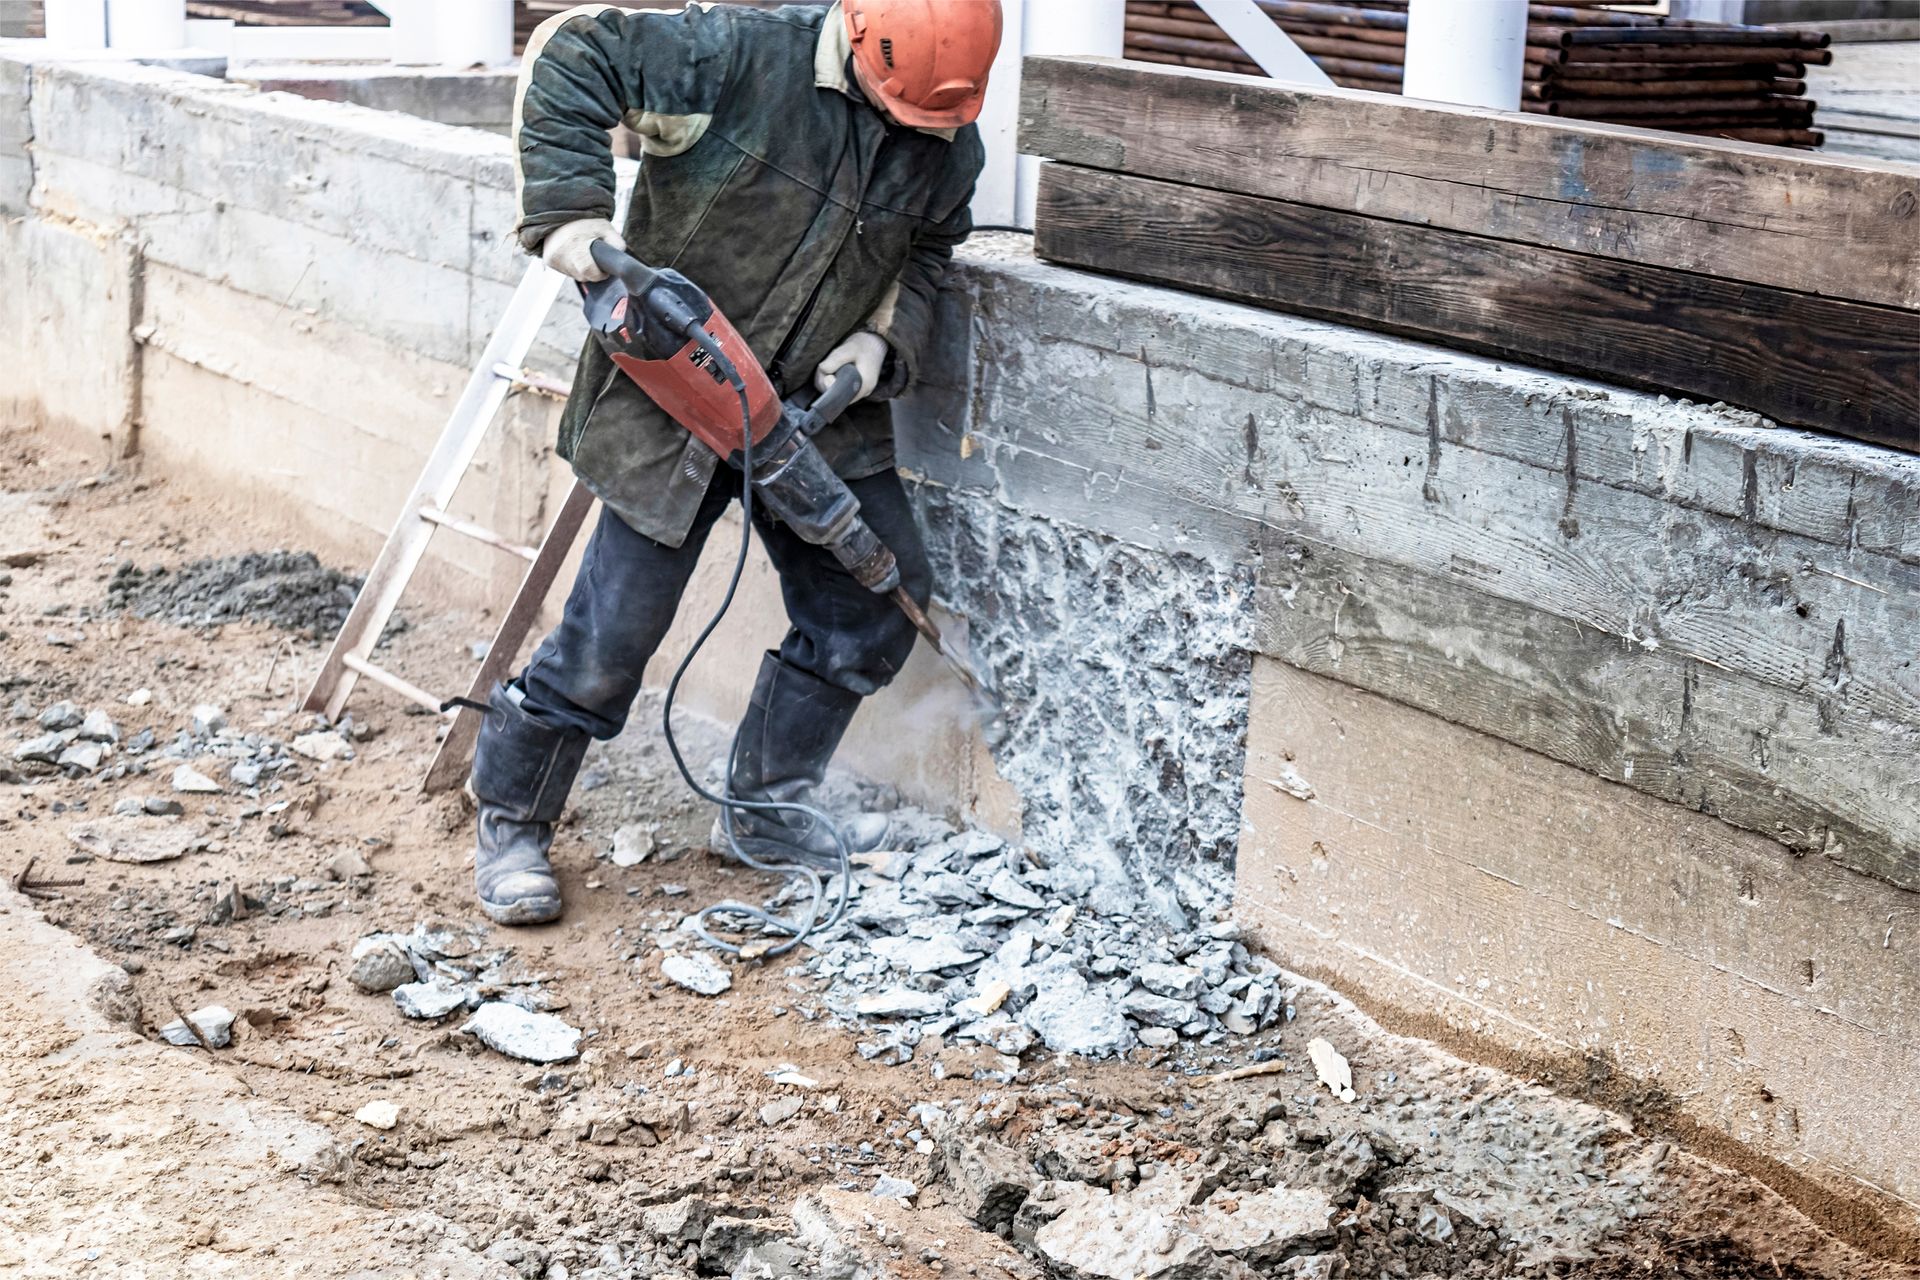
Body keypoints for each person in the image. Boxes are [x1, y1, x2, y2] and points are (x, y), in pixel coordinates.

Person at [468, 0, 1002, 924]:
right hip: (677, 386)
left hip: (816, 409)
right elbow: (570, 49)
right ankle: (512, 820)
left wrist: (880, 342)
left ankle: (763, 807)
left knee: (872, 602)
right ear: (862, 40)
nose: (900, 132)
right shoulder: (733, 57)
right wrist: (567, 218)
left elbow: (927, 252)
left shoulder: (945, 141)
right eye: (890, 106)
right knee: (612, 640)